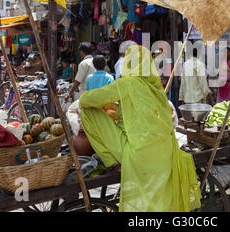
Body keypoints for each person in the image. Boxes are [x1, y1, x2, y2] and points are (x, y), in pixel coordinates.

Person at [79, 45, 201, 212]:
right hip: (166, 152)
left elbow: (85, 101)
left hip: (139, 154)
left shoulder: (125, 84)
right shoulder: (155, 87)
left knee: (87, 110)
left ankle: (112, 161)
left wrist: (106, 102)